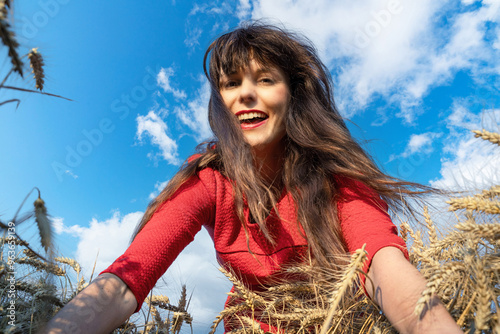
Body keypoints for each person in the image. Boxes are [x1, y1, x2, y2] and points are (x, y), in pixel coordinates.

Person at [41, 22, 463, 334]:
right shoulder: (209, 181)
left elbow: (385, 268)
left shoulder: (337, 180)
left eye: (265, 79)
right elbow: (127, 278)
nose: (245, 93)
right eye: (230, 83)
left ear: (292, 95)